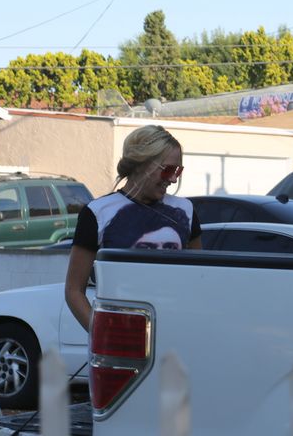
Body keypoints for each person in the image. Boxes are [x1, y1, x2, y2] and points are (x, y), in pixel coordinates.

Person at [64, 124, 201, 331]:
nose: (173, 179)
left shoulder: (186, 210)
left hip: (176, 333)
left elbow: (198, 280)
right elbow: (74, 290)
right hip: (120, 335)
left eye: (178, 171)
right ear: (141, 164)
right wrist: (103, 337)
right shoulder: (98, 213)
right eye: (168, 170)